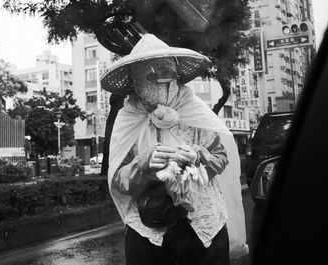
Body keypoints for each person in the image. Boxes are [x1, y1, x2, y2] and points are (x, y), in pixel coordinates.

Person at [101, 34, 248, 265]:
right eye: (150, 76)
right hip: (148, 229)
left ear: (176, 75)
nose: (161, 83)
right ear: (136, 82)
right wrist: (143, 165)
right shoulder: (128, 118)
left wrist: (198, 157)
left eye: (166, 73)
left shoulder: (193, 110)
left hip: (204, 226)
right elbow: (119, 179)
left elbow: (220, 157)